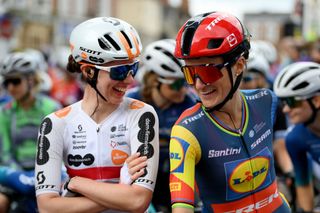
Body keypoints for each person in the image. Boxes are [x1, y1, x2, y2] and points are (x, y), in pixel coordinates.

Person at [169, 11, 291, 212]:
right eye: (191, 74)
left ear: (239, 65)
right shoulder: (187, 131)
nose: (199, 85)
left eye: (207, 71)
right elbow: (181, 206)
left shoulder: (266, 100)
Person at [34, 17, 159, 213]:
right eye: (119, 71)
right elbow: (47, 207)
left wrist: (76, 183)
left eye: (133, 68)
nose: (129, 79)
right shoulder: (55, 123)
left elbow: (138, 201)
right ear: (88, 71)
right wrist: (119, 190)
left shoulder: (142, 115)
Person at [126, 38, 197, 212]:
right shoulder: (130, 102)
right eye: (177, 84)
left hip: (177, 179)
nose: (184, 89)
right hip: (138, 180)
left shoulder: (190, 104)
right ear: (154, 81)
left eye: (186, 82)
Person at [0, 51, 61, 213]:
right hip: (15, 172)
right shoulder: (4, 112)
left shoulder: (52, 108)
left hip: (48, 173)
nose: (11, 87)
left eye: (15, 81)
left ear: (31, 80)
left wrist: (42, 176)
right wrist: (19, 176)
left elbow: (59, 149)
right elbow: (5, 152)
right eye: (7, 82)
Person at [273, 61, 320, 213]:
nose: (286, 109)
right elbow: (304, 184)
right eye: (283, 102)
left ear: (316, 100)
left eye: (292, 102)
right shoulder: (294, 138)